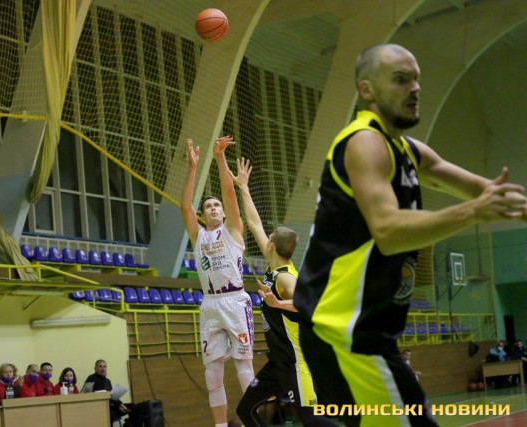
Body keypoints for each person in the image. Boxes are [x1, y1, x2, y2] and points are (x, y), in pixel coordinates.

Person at [293, 43, 527, 427]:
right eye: (401, 79)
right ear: (367, 90)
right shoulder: (364, 143)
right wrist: (474, 211)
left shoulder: (408, 151)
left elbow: (488, 192)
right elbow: (387, 231)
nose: (415, 88)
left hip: (363, 333)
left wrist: (510, 205)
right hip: (344, 332)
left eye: (416, 79)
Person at [231, 158, 333, 426]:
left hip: (296, 362)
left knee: (310, 419)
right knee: (245, 410)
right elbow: (254, 222)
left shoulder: (286, 278)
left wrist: (277, 304)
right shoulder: (274, 263)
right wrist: (243, 187)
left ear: (272, 246)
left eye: (270, 237)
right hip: (277, 362)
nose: (266, 238)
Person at [180, 137, 255, 427]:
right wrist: (192, 168)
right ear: (203, 214)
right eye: (208, 206)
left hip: (235, 300)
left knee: (244, 367)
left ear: (223, 213)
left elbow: (229, 193)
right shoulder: (198, 236)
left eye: (216, 206)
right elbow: (185, 207)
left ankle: (253, 421)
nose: (213, 208)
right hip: (210, 304)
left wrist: (220, 158)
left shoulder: (232, 230)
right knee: (212, 374)